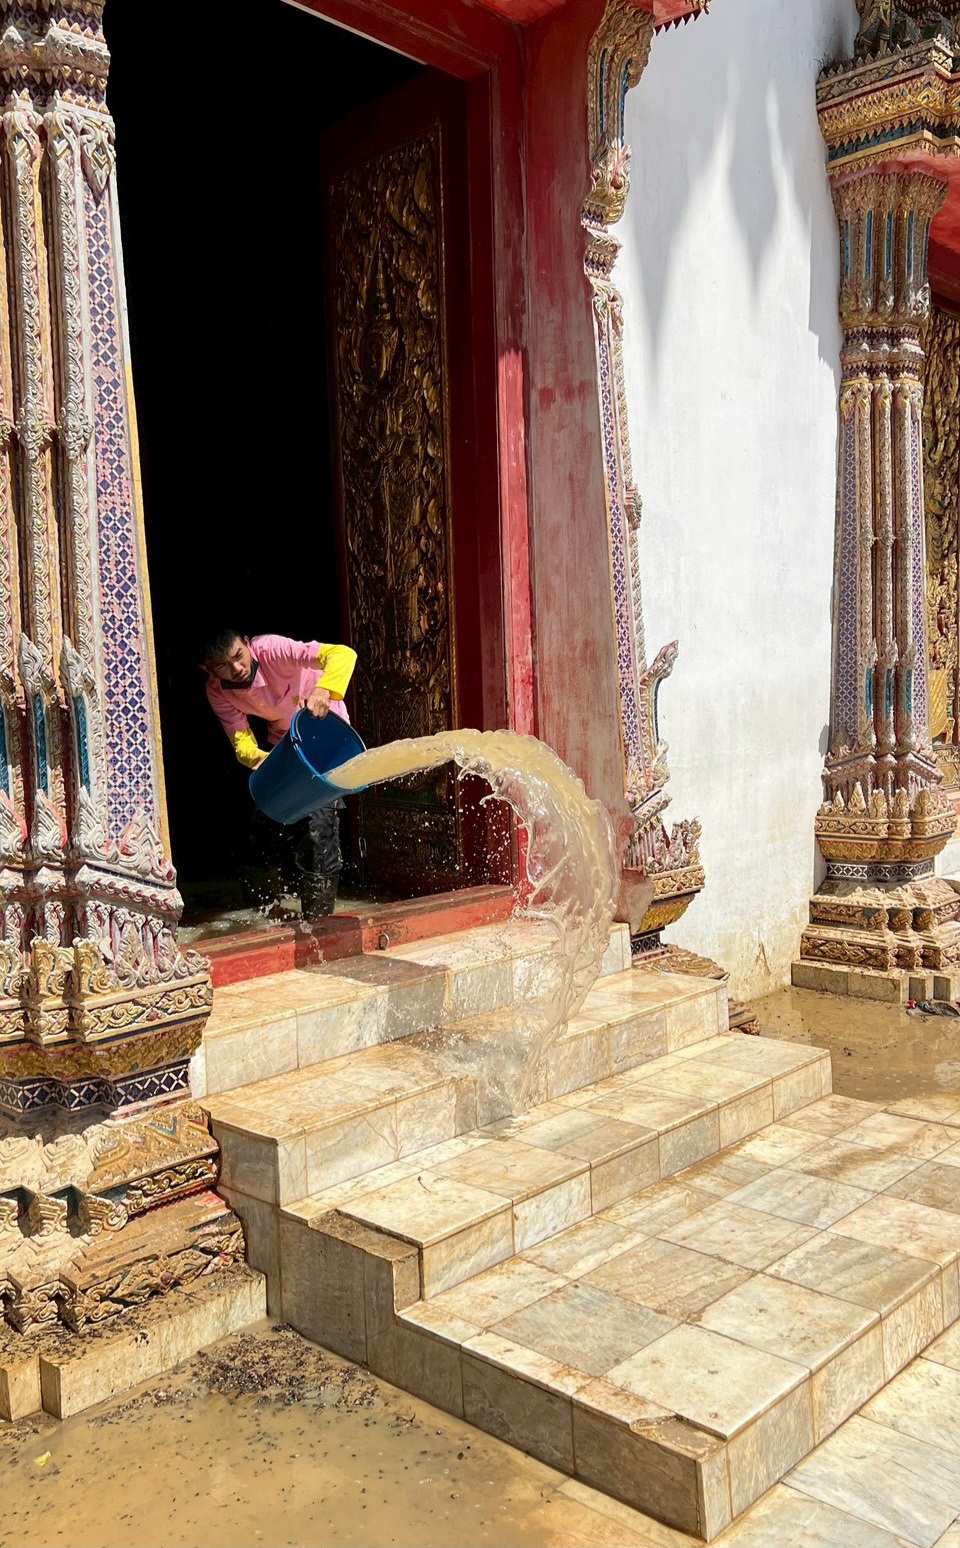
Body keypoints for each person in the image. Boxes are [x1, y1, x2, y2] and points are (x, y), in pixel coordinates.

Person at [200, 629, 357, 919]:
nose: (236, 668)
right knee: (262, 825)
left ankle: (319, 922)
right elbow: (241, 740)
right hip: (284, 744)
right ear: (209, 670)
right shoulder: (216, 690)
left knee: (320, 829)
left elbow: (343, 654)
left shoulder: (272, 649)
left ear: (247, 643)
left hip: (325, 733)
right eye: (223, 665)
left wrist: (323, 690)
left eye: (238, 656)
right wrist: (264, 761)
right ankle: (265, 915)